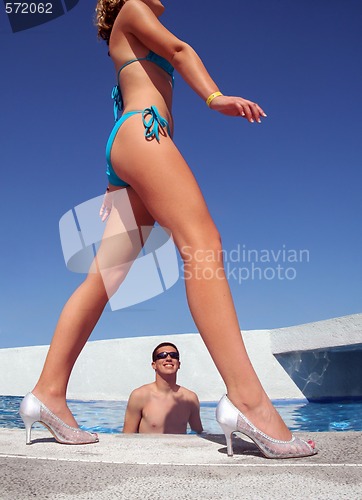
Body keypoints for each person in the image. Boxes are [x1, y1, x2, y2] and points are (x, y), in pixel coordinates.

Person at [19, 0, 317, 458]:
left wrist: (114, 180)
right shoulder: (134, 8)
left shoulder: (127, 31)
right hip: (146, 134)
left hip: (129, 142)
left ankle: (48, 393)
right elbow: (178, 51)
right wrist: (216, 98)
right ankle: (248, 399)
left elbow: (125, 96)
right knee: (202, 244)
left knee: (103, 279)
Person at [123, 342, 203, 434]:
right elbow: (127, 435)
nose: (168, 358)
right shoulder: (139, 396)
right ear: (154, 365)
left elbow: (198, 433)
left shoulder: (190, 398)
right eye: (162, 355)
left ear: (179, 364)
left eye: (174, 355)